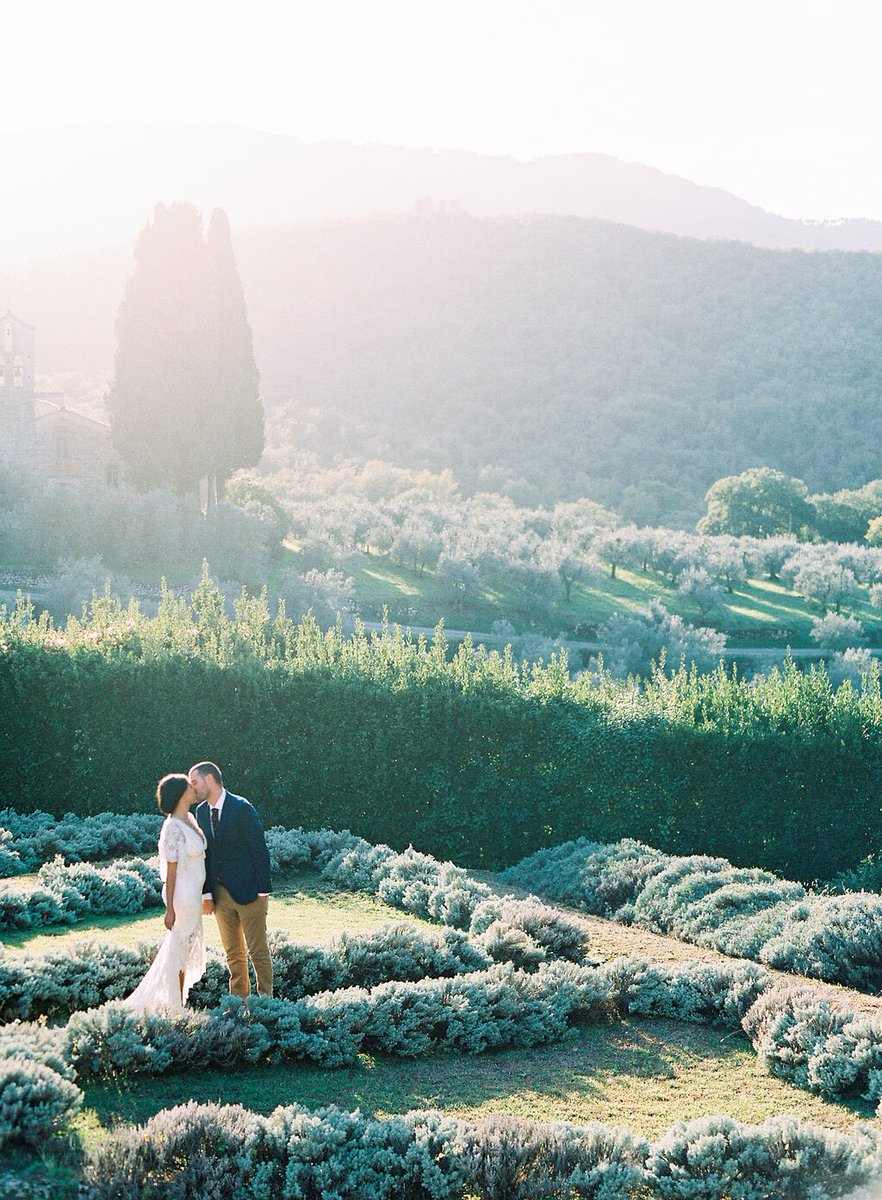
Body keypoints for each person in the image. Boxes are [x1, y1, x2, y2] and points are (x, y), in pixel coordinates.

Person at [122, 773, 207, 1011]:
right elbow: (171, 871)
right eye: (189, 787)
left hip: (195, 896)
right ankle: (174, 1005)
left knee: (183, 952)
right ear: (181, 794)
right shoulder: (172, 827)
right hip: (182, 898)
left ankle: (175, 1002)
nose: (194, 789)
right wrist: (169, 909)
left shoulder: (190, 818)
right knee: (178, 953)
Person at [190, 761, 273, 998]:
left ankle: (266, 1004)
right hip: (220, 895)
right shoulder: (201, 812)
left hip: (250, 893)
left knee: (258, 952)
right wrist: (207, 893)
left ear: (210, 779)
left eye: (195, 782)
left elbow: (259, 849)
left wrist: (263, 891)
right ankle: (239, 1003)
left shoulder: (242, 808)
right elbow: (204, 855)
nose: (192, 788)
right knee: (233, 955)